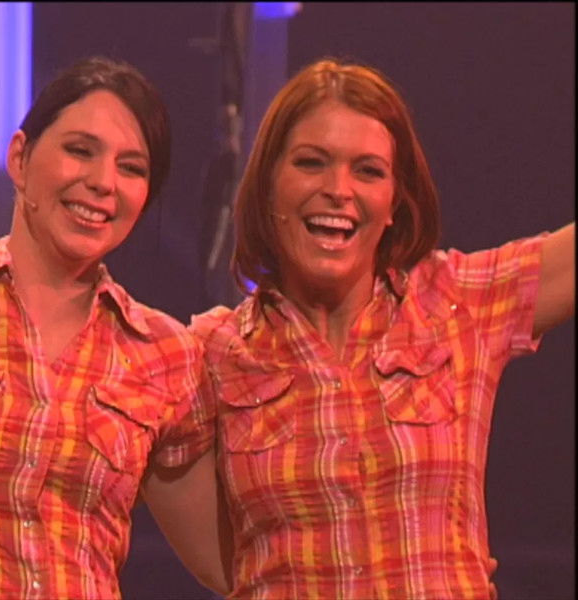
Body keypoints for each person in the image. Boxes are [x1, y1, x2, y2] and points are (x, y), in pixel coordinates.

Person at [184, 58, 575, 599]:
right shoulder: (210, 352)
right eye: (311, 162)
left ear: (394, 201)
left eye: (367, 171)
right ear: (268, 184)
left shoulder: (454, 302)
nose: (338, 189)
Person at [0, 56, 228, 599]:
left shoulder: (163, 354)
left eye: (131, 168)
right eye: (79, 150)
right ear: (19, 158)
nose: (102, 182)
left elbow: (231, 563)